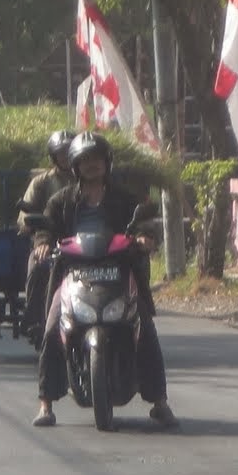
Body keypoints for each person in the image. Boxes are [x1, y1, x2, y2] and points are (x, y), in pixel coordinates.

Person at [32, 132, 176, 429]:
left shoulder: (125, 199)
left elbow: (142, 225)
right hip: (74, 275)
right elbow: (46, 227)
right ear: (74, 166)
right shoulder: (62, 201)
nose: (91, 165)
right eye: (85, 161)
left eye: (96, 159)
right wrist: (43, 242)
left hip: (119, 272)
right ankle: (45, 403)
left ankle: (160, 401)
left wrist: (145, 238)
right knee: (51, 329)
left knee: (145, 328)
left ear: (107, 162)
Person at [18, 129, 75, 341]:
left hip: (85, 242)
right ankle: (33, 317)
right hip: (49, 241)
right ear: (53, 157)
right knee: (37, 266)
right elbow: (25, 217)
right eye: (62, 153)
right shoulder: (41, 183)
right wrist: (41, 239)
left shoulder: (92, 181)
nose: (66, 157)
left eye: (70, 152)